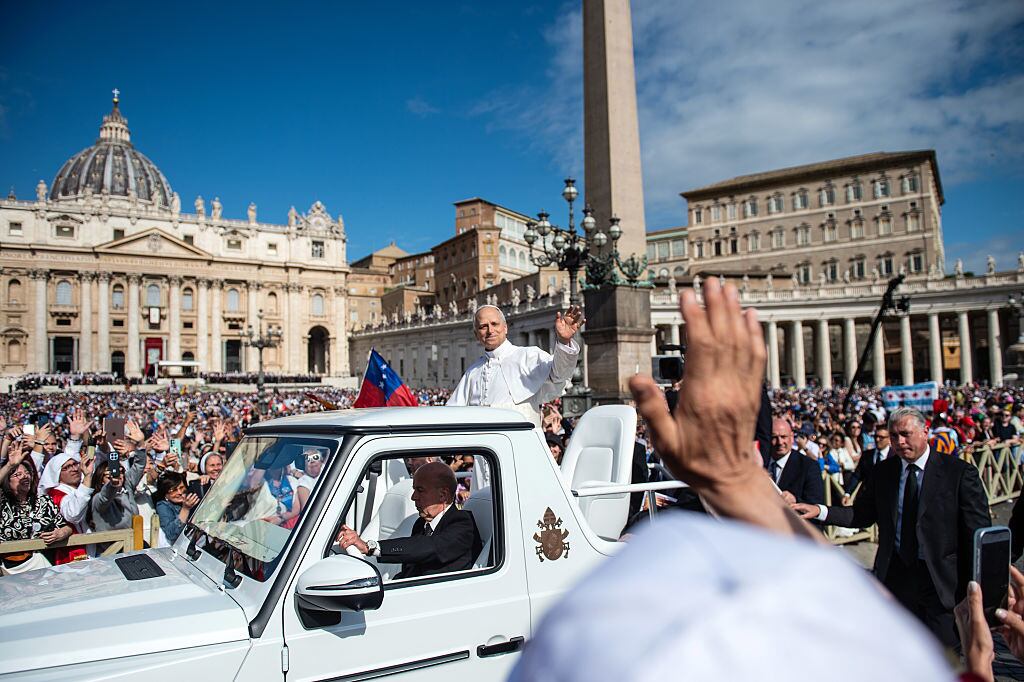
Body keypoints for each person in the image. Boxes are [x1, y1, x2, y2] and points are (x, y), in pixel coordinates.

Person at [510, 277, 961, 682]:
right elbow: (876, 633)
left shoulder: (587, 619)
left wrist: (736, 478)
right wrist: (740, 481)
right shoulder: (886, 651)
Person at [794, 407, 991, 646]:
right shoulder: (884, 472)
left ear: (925, 432)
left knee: (944, 658)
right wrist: (820, 510)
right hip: (897, 577)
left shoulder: (958, 473)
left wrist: (979, 588)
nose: (899, 441)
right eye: (894, 435)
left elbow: (977, 533)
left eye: (906, 434)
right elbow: (862, 515)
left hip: (942, 582)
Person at [447, 304, 583, 488]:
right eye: (482, 326)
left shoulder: (527, 356)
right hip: (483, 466)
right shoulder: (472, 372)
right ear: (476, 334)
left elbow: (558, 374)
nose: (489, 330)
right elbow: (451, 416)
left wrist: (564, 343)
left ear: (505, 327)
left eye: (494, 324)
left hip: (522, 459)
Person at [338, 461, 482, 579]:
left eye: (420, 490)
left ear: (443, 495)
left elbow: (428, 548)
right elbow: (410, 568)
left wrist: (370, 547)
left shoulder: (463, 523)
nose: (413, 497)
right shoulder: (421, 523)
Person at [0, 441, 72, 574]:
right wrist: (10, 465)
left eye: (27, 473)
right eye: (17, 474)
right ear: (7, 481)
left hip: (44, 566)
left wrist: (61, 533)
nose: (25, 476)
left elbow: (66, 527)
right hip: (11, 570)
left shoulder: (43, 501)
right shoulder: (3, 503)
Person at [765, 418, 823, 505]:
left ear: (792, 437)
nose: (780, 442)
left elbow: (816, 506)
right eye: (774, 437)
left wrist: (796, 501)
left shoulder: (809, 466)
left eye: (783, 437)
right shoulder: (758, 463)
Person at [154, 472, 200, 543]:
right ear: (165, 493)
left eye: (181, 488)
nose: (180, 492)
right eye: (174, 490)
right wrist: (185, 509)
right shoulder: (163, 506)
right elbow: (171, 534)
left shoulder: (189, 497)